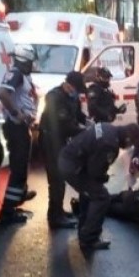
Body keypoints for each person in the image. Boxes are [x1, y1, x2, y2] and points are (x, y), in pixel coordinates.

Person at [58, 122, 139, 251]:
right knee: (101, 197)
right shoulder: (110, 145)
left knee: (89, 192)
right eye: (131, 144)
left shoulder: (108, 127)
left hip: (70, 160)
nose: (129, 147)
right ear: (128, 138)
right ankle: (89, 239)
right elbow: (95, 172)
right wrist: (105, 177)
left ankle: (84, 230)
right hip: (73, 167)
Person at [39, 71, 89, 229]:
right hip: (51, 140)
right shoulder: (55, 97)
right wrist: (83, 131)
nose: (77, 93)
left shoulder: (72, 97)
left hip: (61, 140)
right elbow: (64, 125)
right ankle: (55, 217)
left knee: (61, 177)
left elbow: (78, 115)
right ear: (69, 85)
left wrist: (88, 122)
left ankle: (58, 210)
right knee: (56, 178)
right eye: (76, 89)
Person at [0, 43, 39, 225]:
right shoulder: (16, 74)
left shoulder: (23, 75)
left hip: (22, 126)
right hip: (16, 127)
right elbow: (2, 93)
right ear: (23, 61)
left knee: (22, 165)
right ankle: (7, 212)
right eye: (30, 62)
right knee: (18, 168)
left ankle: (18, 197)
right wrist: (17, 113)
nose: (32, 65)